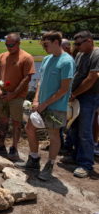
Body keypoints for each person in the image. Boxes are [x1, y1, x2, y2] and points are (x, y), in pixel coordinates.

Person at [16, 31, 74, 181]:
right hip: (40, 105)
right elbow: (40, 82)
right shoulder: (47, 59)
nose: (44, 47)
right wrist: (36, 101)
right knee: (29, 128)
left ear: (56, 42)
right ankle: (34, 159)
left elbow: (64, 89)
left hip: (56, 107)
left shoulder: (67, 61)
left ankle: (50, 165)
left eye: (46, 44)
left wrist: (45, 104)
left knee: (53, 135)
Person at [0, 33, 35, 161]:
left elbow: (27, 78)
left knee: (16, 122)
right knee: (3, 121)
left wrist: (14, 94)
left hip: (17, 96)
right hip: (2, 95)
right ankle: (1, 145)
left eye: (11, 45)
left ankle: (14, 148)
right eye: (7, 44)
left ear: (18, 43)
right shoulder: (2, 56)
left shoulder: (26, 57)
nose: (9, 47)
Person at [67, 31, 99, 178]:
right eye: (75, 44)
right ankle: (76, 156)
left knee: (85, 132)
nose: (76, 47)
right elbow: (76, 74)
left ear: (90, 41)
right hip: (77, 96)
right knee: (73, 127)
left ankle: (86, 164)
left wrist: (74, 93)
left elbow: (91, 78)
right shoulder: (80, 54)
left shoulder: (96, 54)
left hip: (89, 96)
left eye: (79, 44)